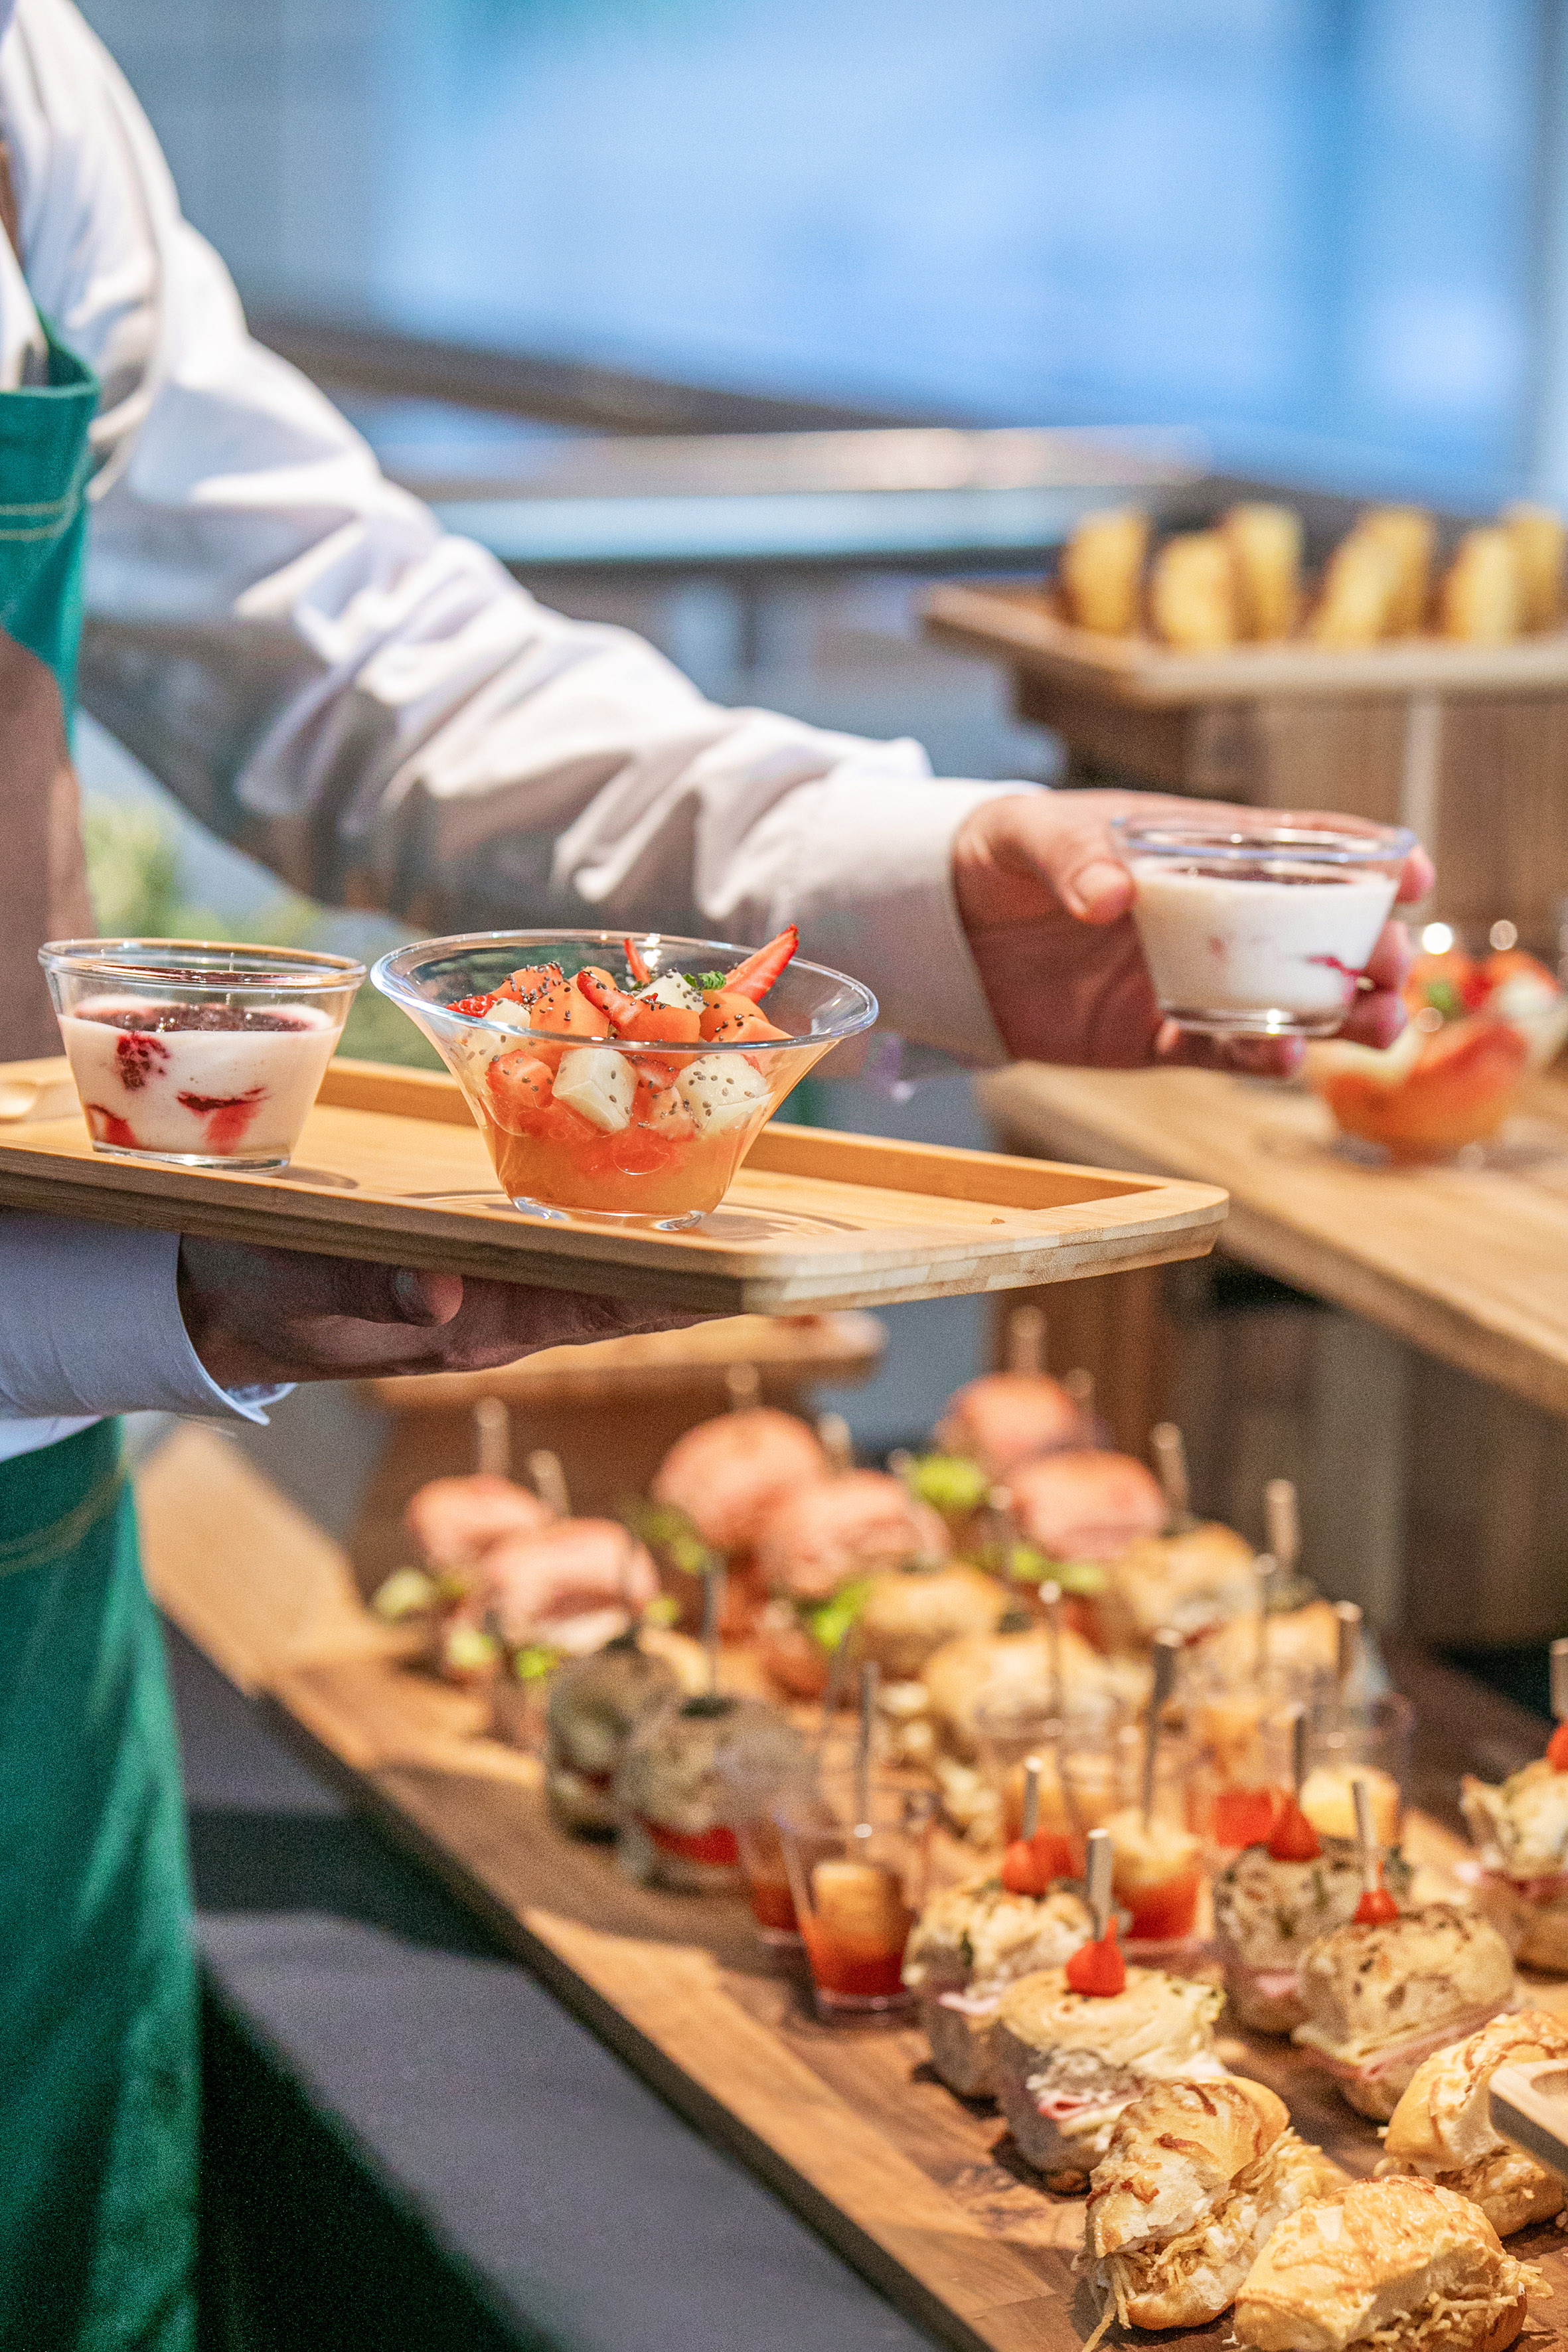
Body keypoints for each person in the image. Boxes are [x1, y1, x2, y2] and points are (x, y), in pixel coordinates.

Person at [0, 1, 1430, 2342]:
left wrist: (912, 881)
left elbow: (344, 658)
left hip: (24, 1600)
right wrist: (111, 1305)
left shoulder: (22, 84)